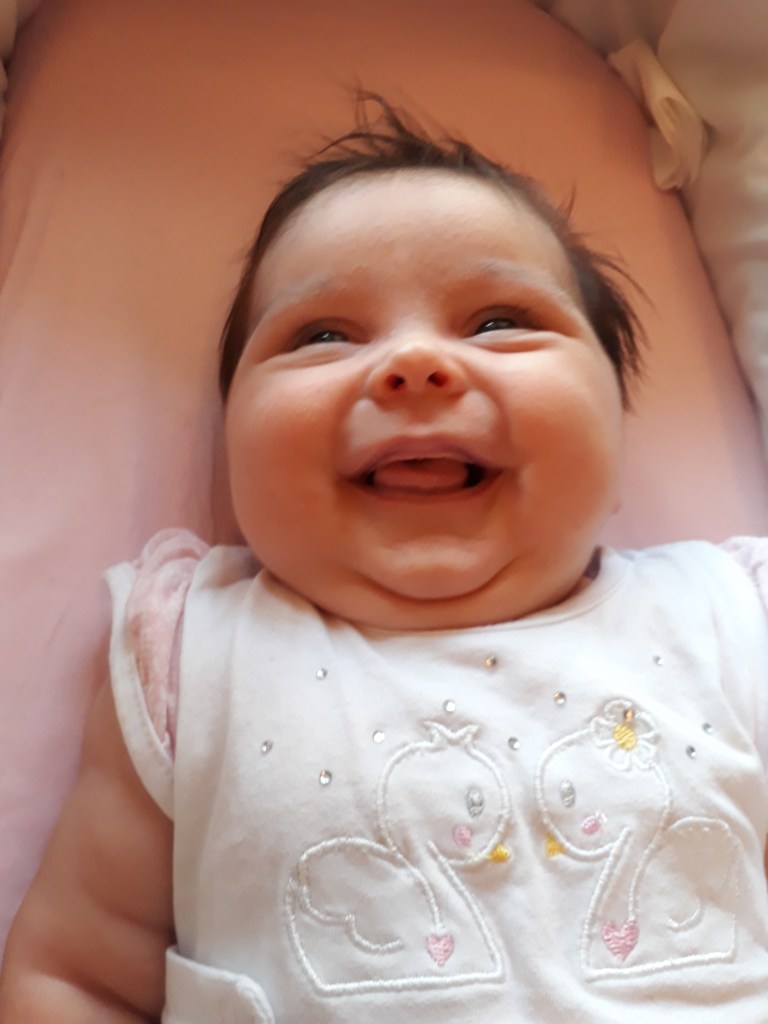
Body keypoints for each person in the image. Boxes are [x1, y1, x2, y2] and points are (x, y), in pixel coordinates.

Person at [2, 93, 768, 1023]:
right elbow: (77, 976)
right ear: (231, 442)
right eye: (323, 336)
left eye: (498, 322)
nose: (413, 362)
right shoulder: (193, 661)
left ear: (615, 422)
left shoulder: (731, 624)